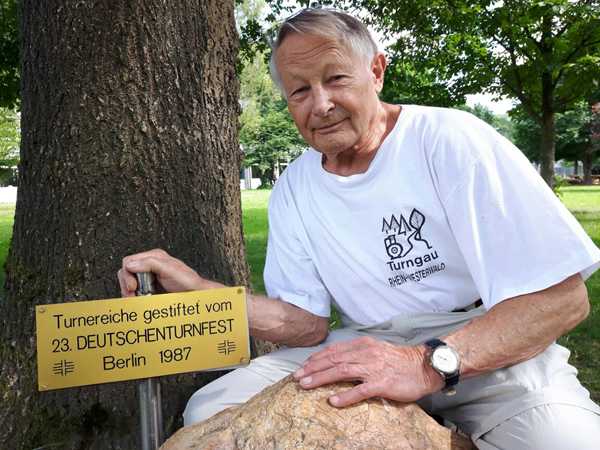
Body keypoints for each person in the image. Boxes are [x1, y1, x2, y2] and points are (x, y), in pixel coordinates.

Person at [118, 8, 600, 449]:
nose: (321, 104)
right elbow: (304, 324)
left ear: (376, 71)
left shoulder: (450, 140)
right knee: (213, 410)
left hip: (483, 340)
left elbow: (561, 300)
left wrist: (423, 364)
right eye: (300, 90)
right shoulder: (295, 185)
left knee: (566, 441)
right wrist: (199, 292)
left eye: (336, 79)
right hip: (364, 345)